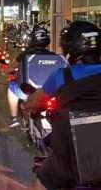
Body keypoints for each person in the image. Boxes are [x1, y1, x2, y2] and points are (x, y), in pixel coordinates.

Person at [23, 21, 101, 190]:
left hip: (70, 155)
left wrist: (27, 106)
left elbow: (34, 101)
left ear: (71, 48)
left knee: (41, 182)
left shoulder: (63, 76)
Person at [6, 26, 53, 128]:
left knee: (12, 86)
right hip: (48, 91)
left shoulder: (24, 55)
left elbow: (11, 68)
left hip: (30, 91)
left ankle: (14, 118)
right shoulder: (53, 55)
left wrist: (10, 71)